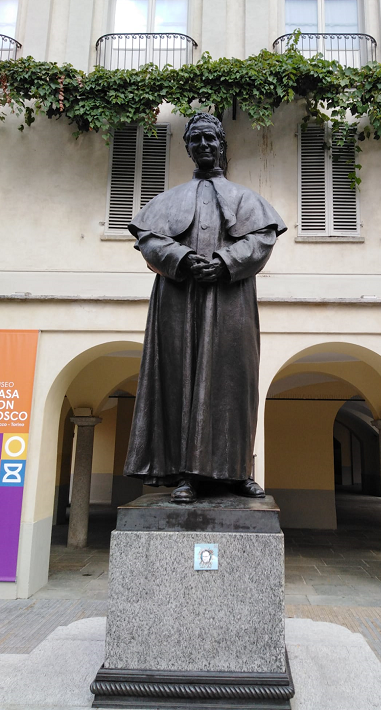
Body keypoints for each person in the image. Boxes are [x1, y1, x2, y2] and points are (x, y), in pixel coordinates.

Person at [124, 113, 286, 503]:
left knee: (235, 382)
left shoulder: (246, 199)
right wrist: (181, 257)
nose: (203, 145)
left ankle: (238, 472)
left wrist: (226, 262)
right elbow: (148, 239)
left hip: (231, 299)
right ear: (187, 147)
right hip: (178, 299)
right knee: (179, 379)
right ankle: (186, 475)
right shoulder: (168, 200)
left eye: (210, 138)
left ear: (221, 143)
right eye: (195, 139)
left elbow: (262, 240)